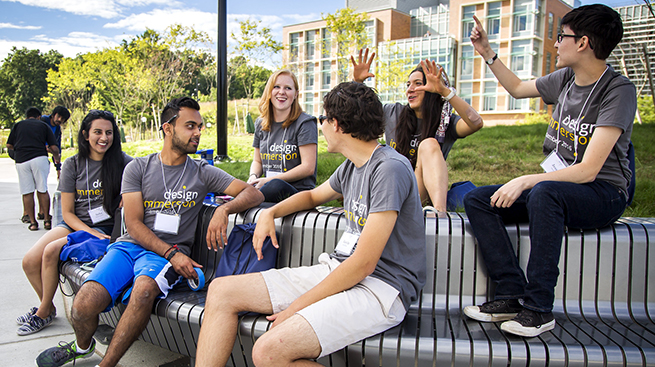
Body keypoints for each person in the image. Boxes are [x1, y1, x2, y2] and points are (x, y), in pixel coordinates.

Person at [195, 82, 426, 366]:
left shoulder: (389, 168)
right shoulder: (352, 166)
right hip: (340, 270)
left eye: (323, 119)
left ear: (337, 124)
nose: (320, 126)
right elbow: (313, 195)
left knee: (268, 351)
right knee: (221, 291)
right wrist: (270, 213)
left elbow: (364, 263)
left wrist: (296, 307)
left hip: (381, 287)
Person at [35, 97, 264, 367]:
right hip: (130, 247)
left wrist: (223, 210)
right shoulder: (138, 168)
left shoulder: (203, 172)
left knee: (143, 291)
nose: (197, 133)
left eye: (200, 126)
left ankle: (105, 365)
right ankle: (83, 347)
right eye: (190, 126)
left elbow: (253, 193)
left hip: (164, 258)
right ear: (168, 129)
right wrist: (172, 254)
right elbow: (132, 223)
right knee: (83, 304)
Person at [462, 4, 636, 337]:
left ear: (583, 42)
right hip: (558, 188)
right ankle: (511, 294)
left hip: (602, 193)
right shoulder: (566, 79)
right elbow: (516, 89)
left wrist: (526, 180)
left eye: (562, 37)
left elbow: (588, 171)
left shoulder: (618, 91)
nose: (556, 44)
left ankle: (539, 308)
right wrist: (486, 52)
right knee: (479, 200)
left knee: (544, 192)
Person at [17, 110, 132, 336]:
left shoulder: (124, 162)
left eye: (109, 132)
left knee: (51, 251)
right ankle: (47, 307)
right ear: (85, 135)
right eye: (97, 132)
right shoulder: (73, 164)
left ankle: (41, 314)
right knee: (30, 261)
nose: (104, 137)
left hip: (105, 229)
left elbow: (151, 173)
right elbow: (68, 213)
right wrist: (88, 230)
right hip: (77, 224)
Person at [352, 49, 484, 213]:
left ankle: (439, 213)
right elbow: (355, 115)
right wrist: (357, 83)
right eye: (408, 85)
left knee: (429, 144)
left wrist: (445, 92)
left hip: (418, 195)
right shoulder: (394, 113)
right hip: (390, 189)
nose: (410, 89)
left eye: (418, 84)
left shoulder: (445, 122)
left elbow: (476, 123)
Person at [248, 69, 318, 202]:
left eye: (288, 88)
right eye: (276, 87)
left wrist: (269, 180)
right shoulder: (260, 123)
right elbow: (257, 161)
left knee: (276, 186)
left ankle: (248, 200)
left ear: (296, 94)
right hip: (267, 188)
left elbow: (308, 168)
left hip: (296, 192)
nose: (281, 92)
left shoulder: (305, 123)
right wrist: (253, 176)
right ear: (269, 91)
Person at [6, 106, 61, 231]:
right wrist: (57, 159)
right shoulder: (43, 125)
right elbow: (54, 147)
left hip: (22, 160)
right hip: (39, 158)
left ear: (26, 117)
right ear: (39, 117)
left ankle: (32, 222)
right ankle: (47, 220)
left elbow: (9, 145)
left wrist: (21, 149)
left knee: (27, 192)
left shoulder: (18, 125)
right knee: (42, 189)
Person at [41, 106, 71, 180]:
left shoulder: (57, 130)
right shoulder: (43, 121)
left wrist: (58, 170)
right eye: (58, 116)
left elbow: (57, 149)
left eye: (63, 119)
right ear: (53, 115)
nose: (59, 119)